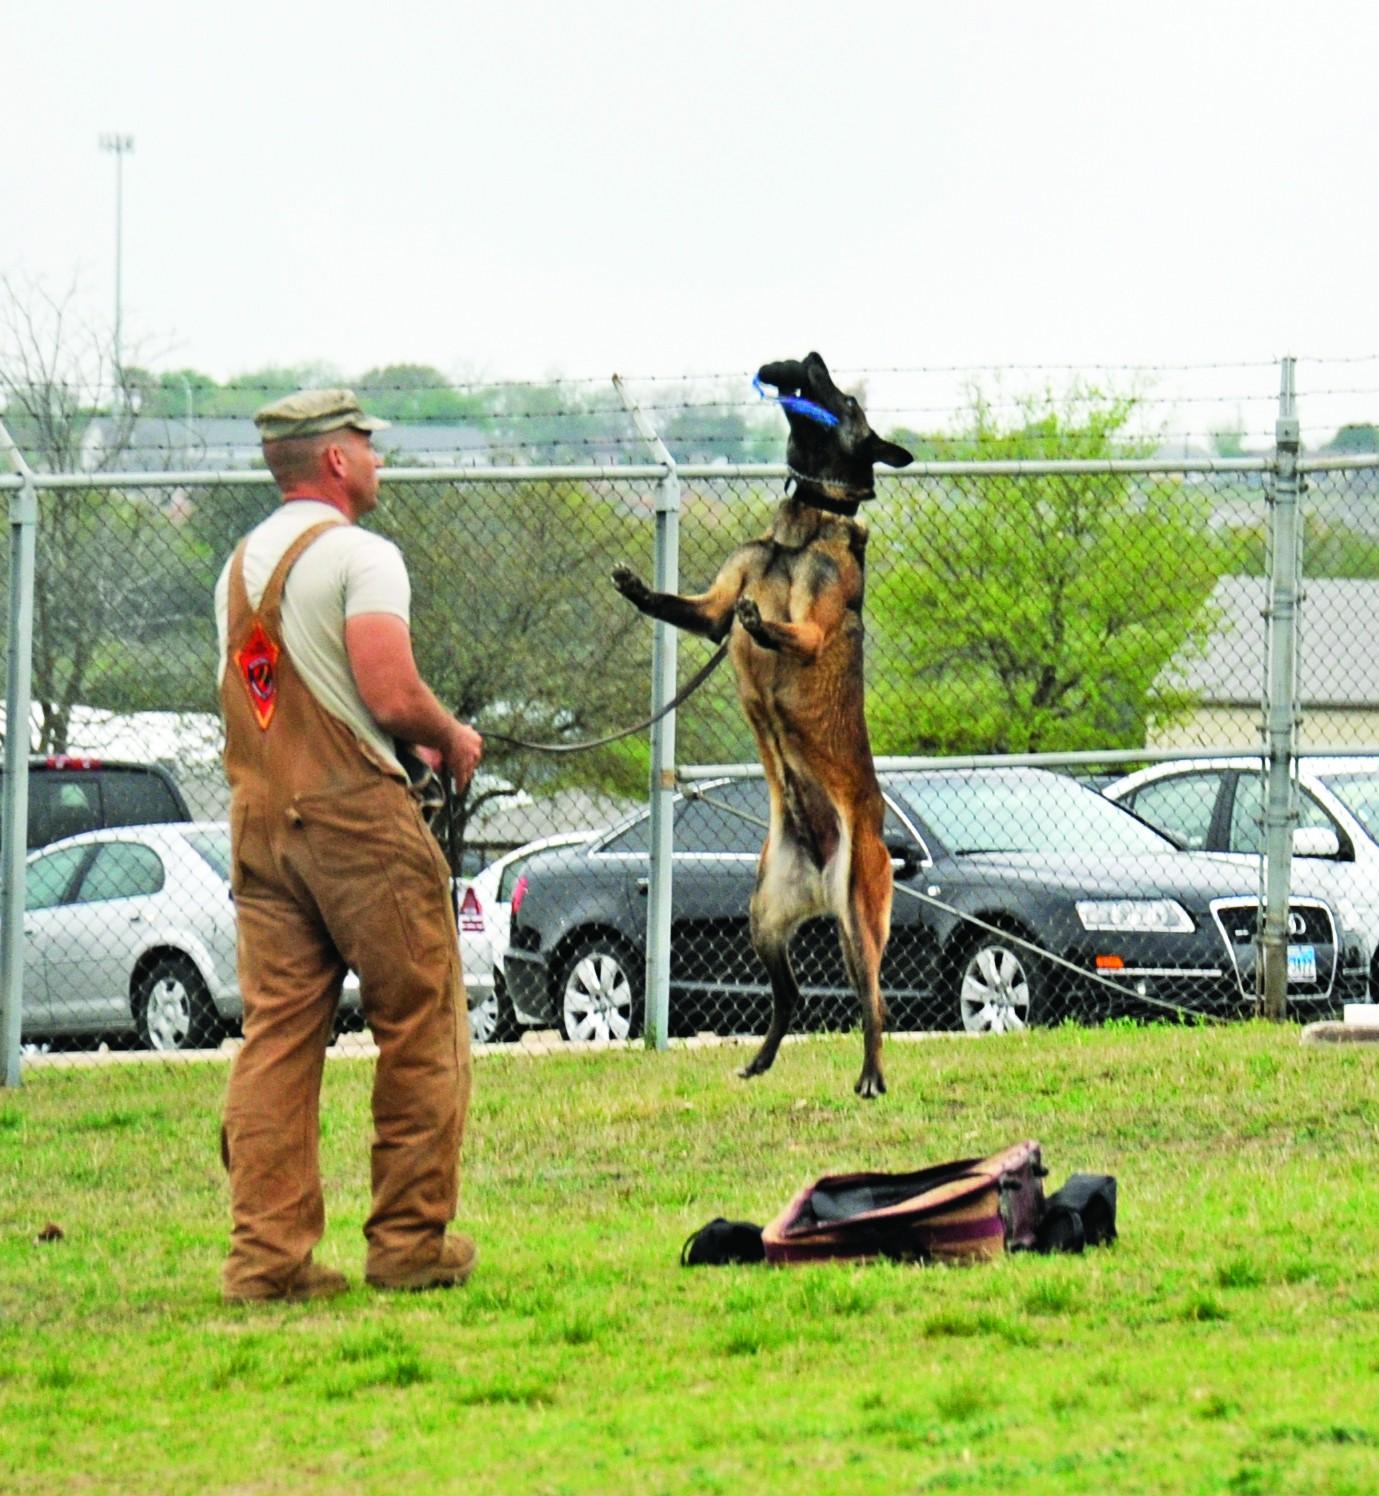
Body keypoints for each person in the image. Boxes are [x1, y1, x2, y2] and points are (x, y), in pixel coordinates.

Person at [214, 388, 483, 1304]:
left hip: (262, 823)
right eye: (366, 445)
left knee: (278, 1039)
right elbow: (388, 683)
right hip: (356, 828)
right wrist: (444, 734)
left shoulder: (242, 567)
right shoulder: (363, 557)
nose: (376, 459)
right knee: (422, 1019)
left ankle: (268, 1260)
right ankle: (408, 1243)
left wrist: (375, 730)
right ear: (334, 461)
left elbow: (275, 693)